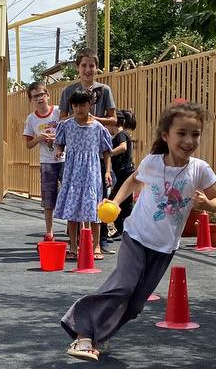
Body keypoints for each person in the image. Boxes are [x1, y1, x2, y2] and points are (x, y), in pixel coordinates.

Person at [60, 100, 216, 362]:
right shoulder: (153, 163)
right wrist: (114, 202)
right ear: (166, 135)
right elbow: (133, 181)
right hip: (136, 237)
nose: (189, 140)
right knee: (122, 287)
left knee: (135, 305)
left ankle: (99, 336)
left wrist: (206, 204)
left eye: (195, 134)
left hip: (165, 247)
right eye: (181, 133)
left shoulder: (200, 170)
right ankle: (82, 334)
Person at [54, 87, 113, 261]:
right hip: (72, 172)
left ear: (90, 106)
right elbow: (59, 143)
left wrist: (107, 171)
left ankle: (95, 246)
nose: (79, 109)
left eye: (82, 105)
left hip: (92, 171)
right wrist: (58, 151)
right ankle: (73, 246)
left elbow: (106, 151)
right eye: (75, 106)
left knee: (94, 209)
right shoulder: (66, 125)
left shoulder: (98, 128)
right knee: (72, 209)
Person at [21, 82, 63, 241]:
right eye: (35, 96)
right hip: (46, 162)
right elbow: (28, 145)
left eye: (41, 94)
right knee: (48, 198)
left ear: (48, 95)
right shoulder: (31, 119)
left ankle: (71, 227)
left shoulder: (59, 112)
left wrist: (57, 139)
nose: (39, 98)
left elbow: (69, 132)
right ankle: (49, 231)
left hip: (64, 159)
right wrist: (39, 138)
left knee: (69, 193)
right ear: (31, 100)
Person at [104, 109, 138, 247]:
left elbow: (123, 148)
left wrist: (108, 153)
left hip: (125, 172)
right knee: (125, 203)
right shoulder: (121, 135)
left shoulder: (121, 135)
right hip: (124, 172)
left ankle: (123, 230)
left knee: (114, 200)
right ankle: (123, 230)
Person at [59, 48, 116, 126]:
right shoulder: (68, 91)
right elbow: (61, 120)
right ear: (77, 67)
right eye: (84, 65)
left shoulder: (104, 90)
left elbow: (113, 120)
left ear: (96, 68)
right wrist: (76, 116)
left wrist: (93, 119)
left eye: (92, 66)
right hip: (75, 136)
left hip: (96, 136)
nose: (88, 69)